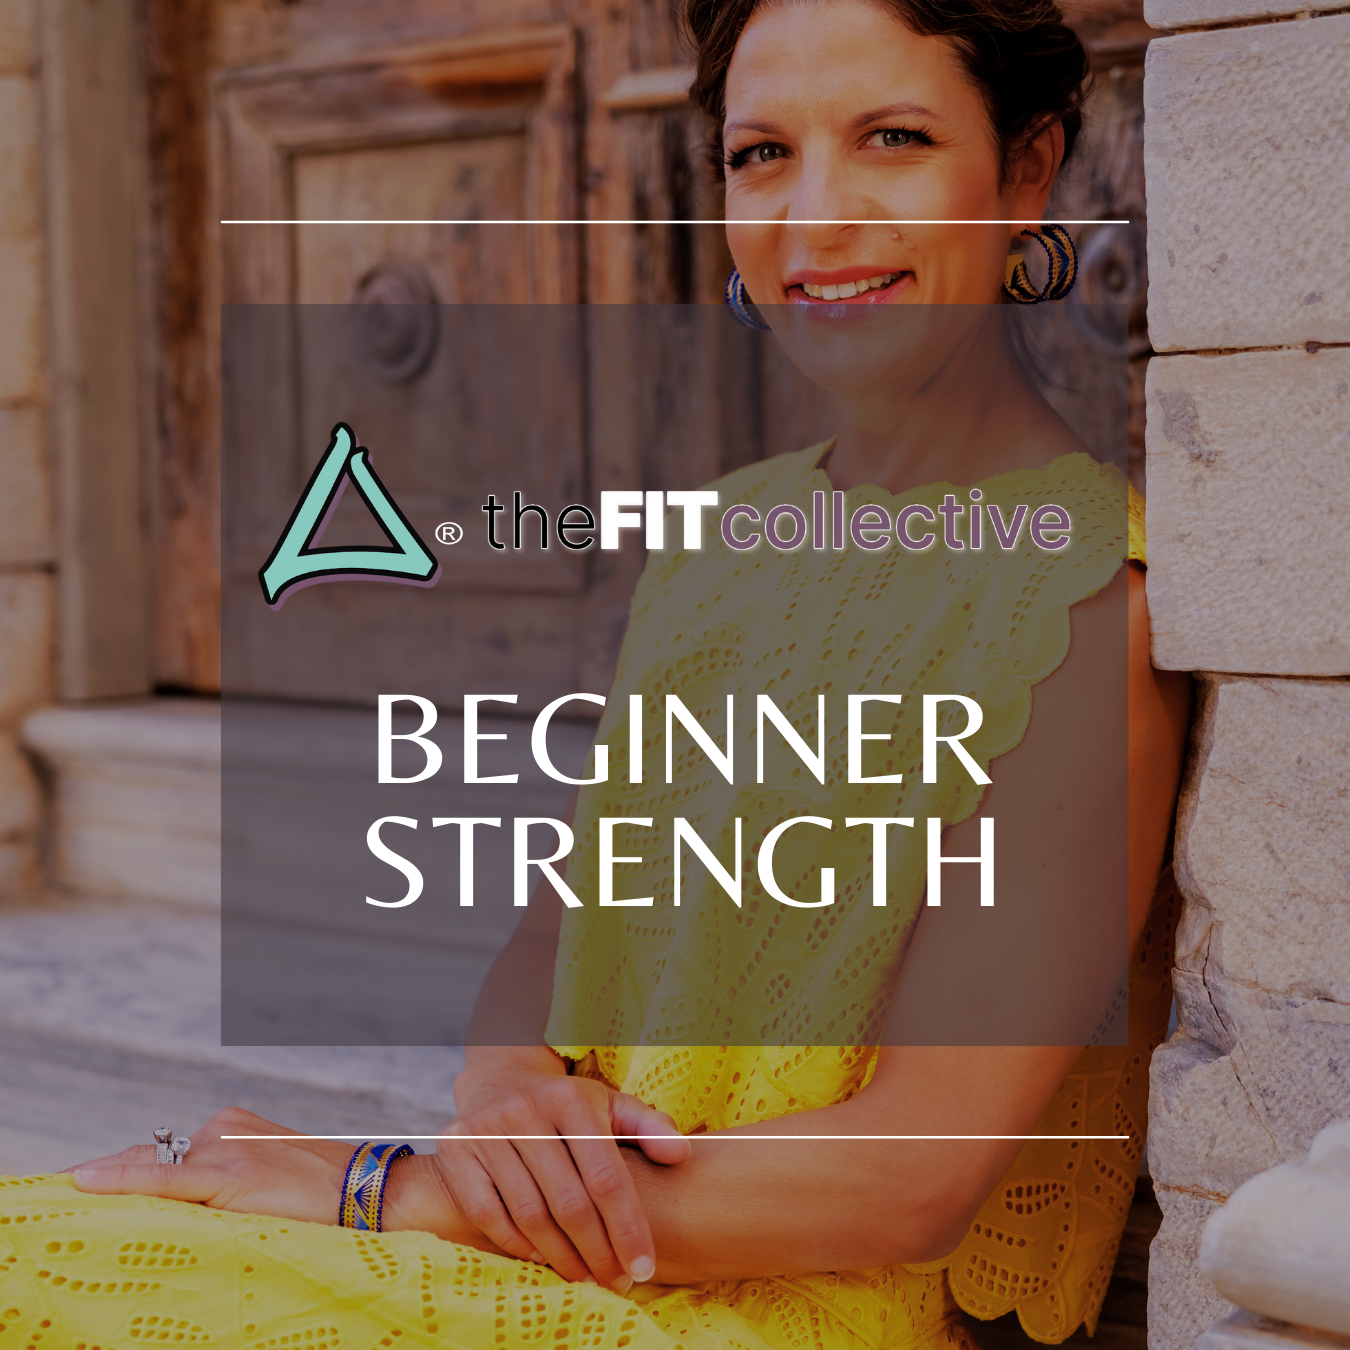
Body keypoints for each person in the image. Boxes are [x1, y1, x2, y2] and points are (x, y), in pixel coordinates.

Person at [0, 2, 1191, 1346]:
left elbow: (906, 1179)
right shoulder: (725, 542)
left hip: (794, 1313)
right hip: (567, 1245)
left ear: (1024, 171)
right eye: (758, 155)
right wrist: (509, 1089)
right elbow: (556, 935)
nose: (814, 216)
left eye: (894, 139)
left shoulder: (1086, 611)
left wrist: (372, 1182)